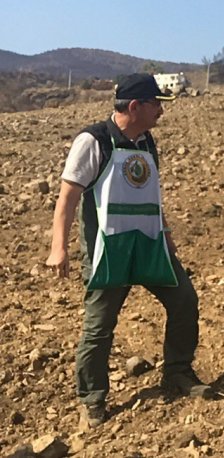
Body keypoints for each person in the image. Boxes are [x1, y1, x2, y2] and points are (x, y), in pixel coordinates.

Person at [45, 73, 211, 430]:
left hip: (149, 246)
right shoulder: (92, 141)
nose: (160, 112)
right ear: (134, 106)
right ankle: (92, 398)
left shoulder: (147, 143)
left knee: (184, 301)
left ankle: (178, 373)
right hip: (110, 250)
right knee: (99, 327)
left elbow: (151, 194)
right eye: (155, 105)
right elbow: (68, 197)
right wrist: (58, 247)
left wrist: (165, 234)